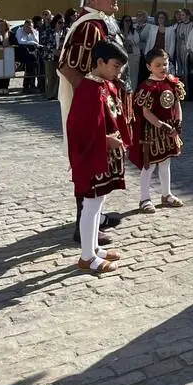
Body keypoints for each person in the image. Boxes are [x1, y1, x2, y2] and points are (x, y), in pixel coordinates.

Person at [21, 0, 129, 248]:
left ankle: (95, 213)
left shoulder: (101, 21)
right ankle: (84, 222)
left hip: (101, 99)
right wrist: (91, 101)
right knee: (90, 155)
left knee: (105, 155)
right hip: (89, 102)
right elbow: (68, 66)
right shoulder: (91, 25)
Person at [67, 40, 129, 273]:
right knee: (90, 205)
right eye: (115, 66)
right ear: (100, 62)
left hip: (106, 155)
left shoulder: (105, 84)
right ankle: (86, 257)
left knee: (98, 202)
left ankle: (93, 247)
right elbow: (79, 128)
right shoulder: (88, 89)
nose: (118, 71)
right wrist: (105, 140)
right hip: (93, 156)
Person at [130, 49, 185, 213]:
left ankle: (166, 194)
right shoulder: (147, 87)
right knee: (149, 165)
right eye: (158, 65)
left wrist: (178, 122)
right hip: (153, 131)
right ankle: (144, 198)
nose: (163, 68)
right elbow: (146, 113)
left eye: (165, 64)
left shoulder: (171, 82)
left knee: (166, 162)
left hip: (169, 129)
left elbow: (176, 104)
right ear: (149, 67)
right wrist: (162, 125)